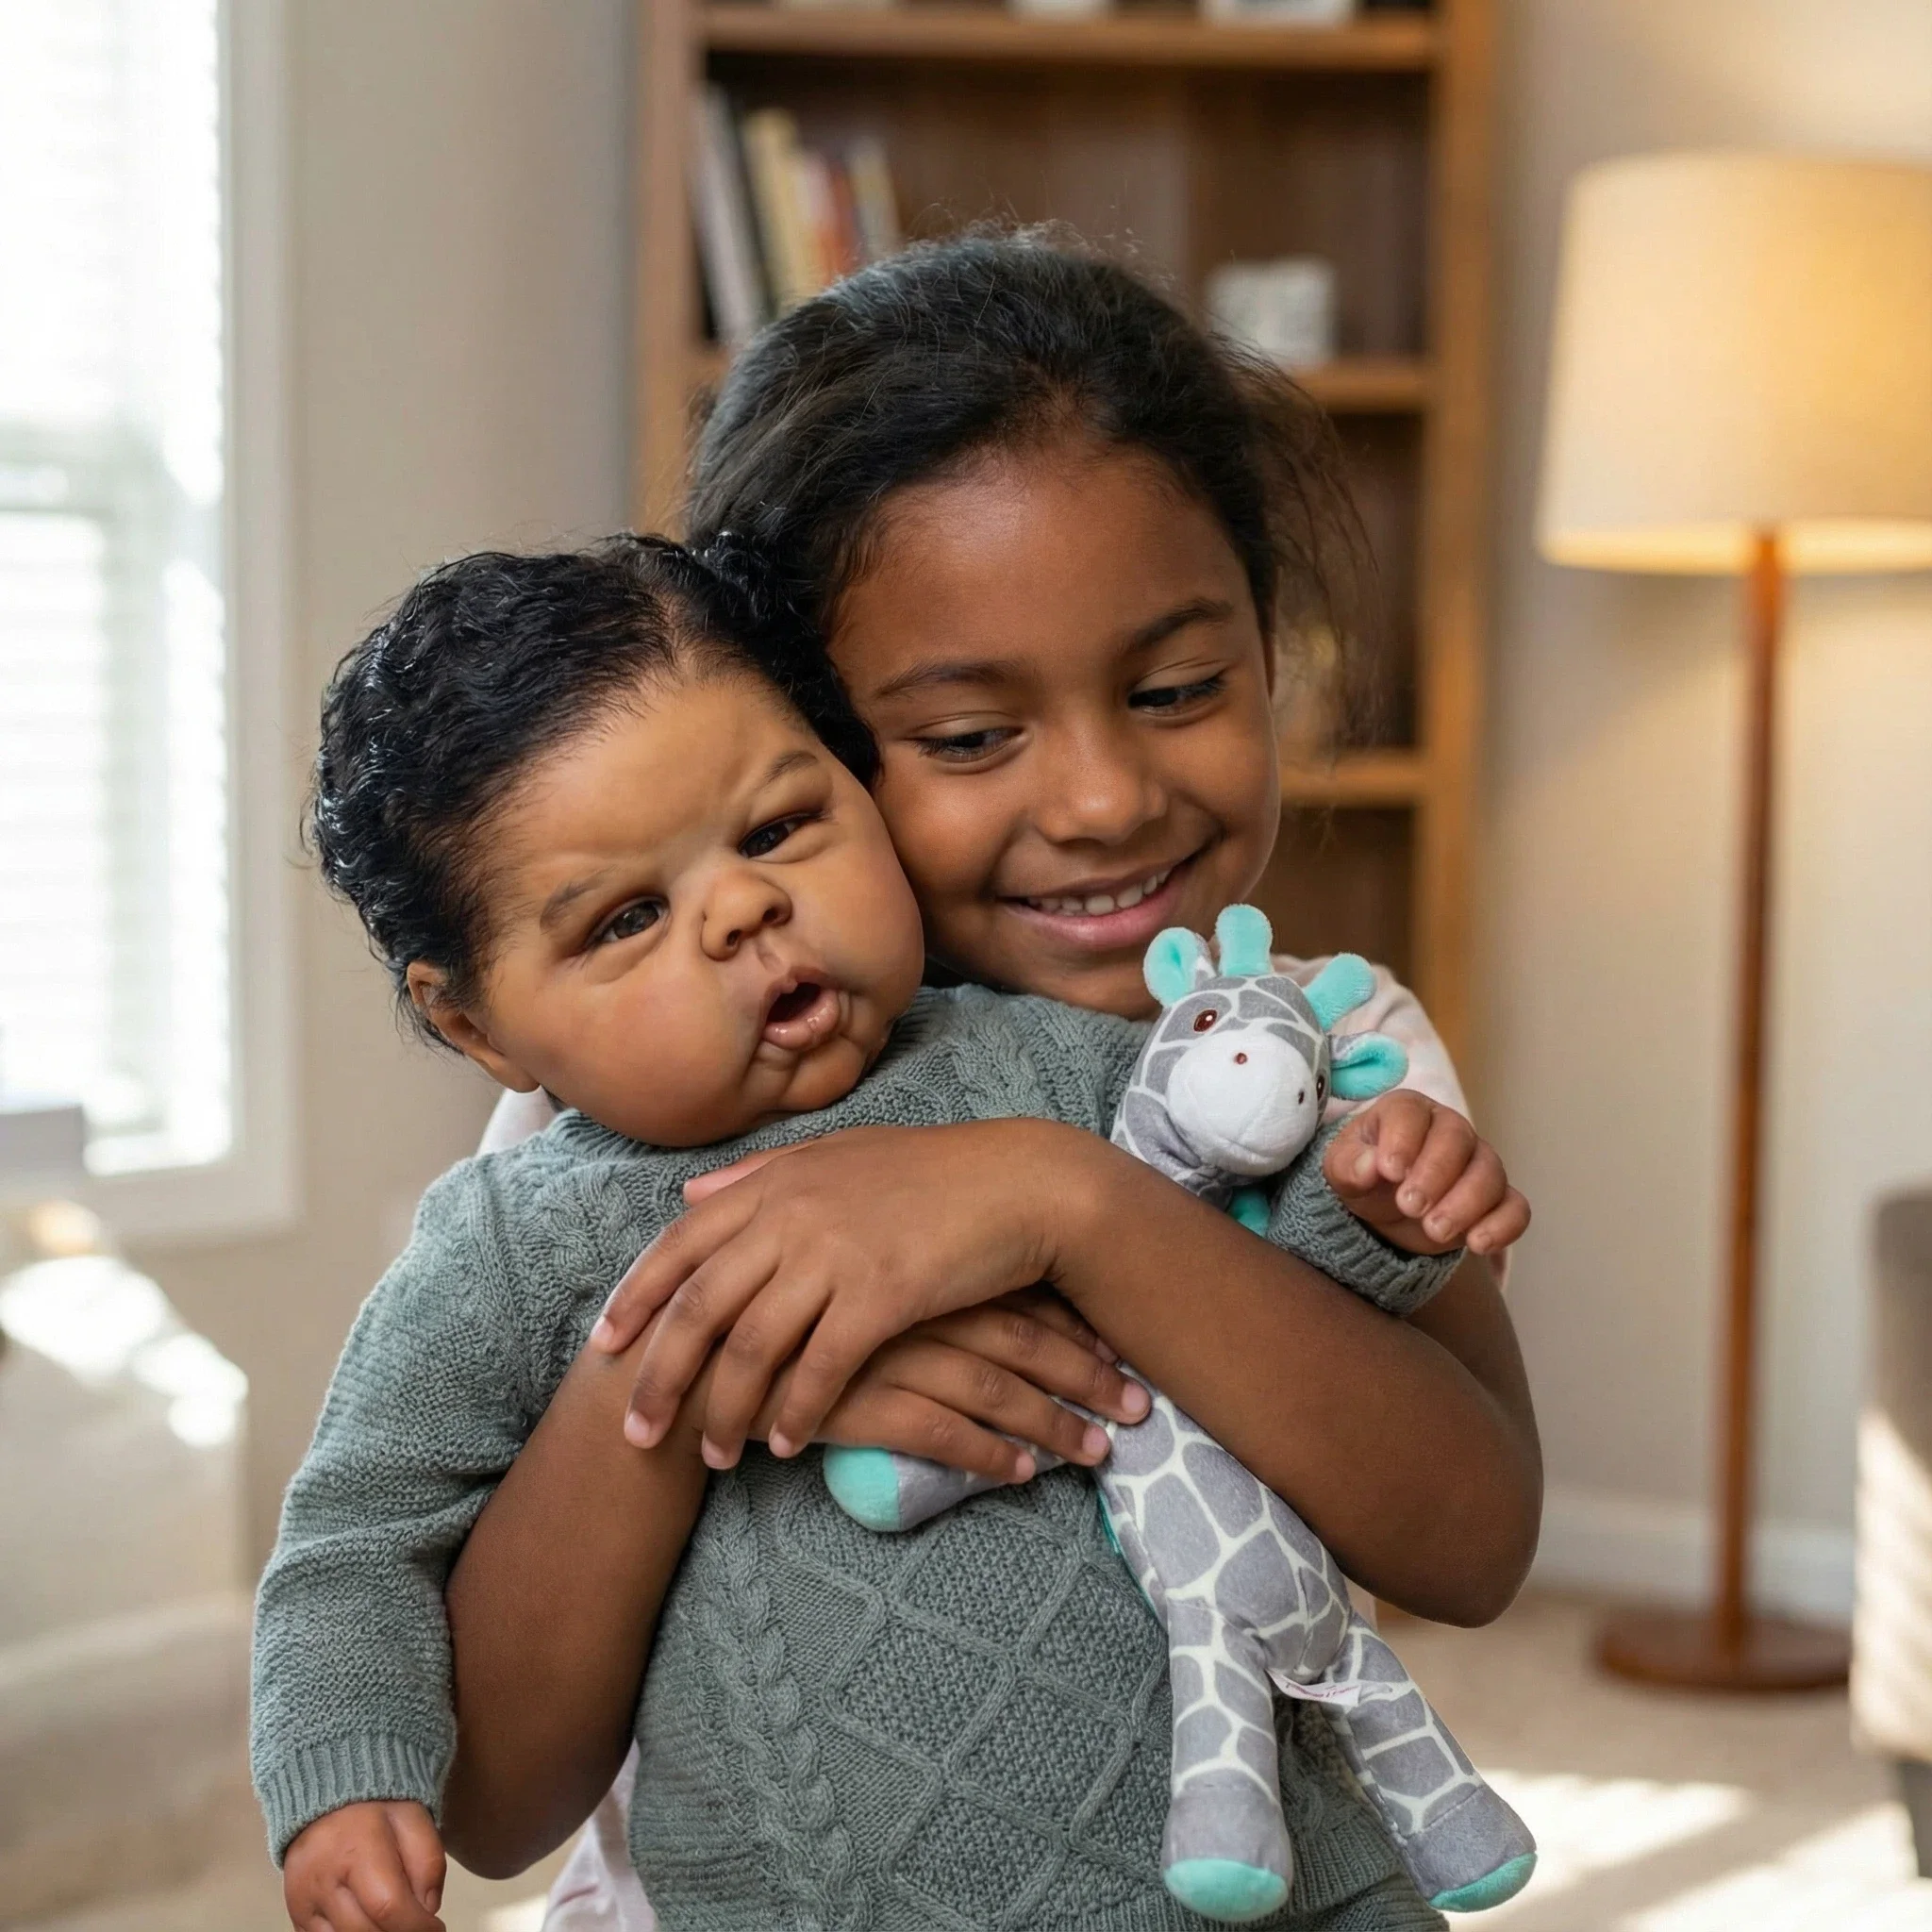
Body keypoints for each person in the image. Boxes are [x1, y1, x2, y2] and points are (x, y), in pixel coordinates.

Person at [417, 233, 1541, 1932]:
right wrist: (716, 1362)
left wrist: (1062, 1203)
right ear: (788, 738)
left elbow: (1473, 1543)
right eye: (965, 737)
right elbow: (495, 1799)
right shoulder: (620, 1120)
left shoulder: (1316, 1053)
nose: (1103, 800)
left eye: (1178, 689)